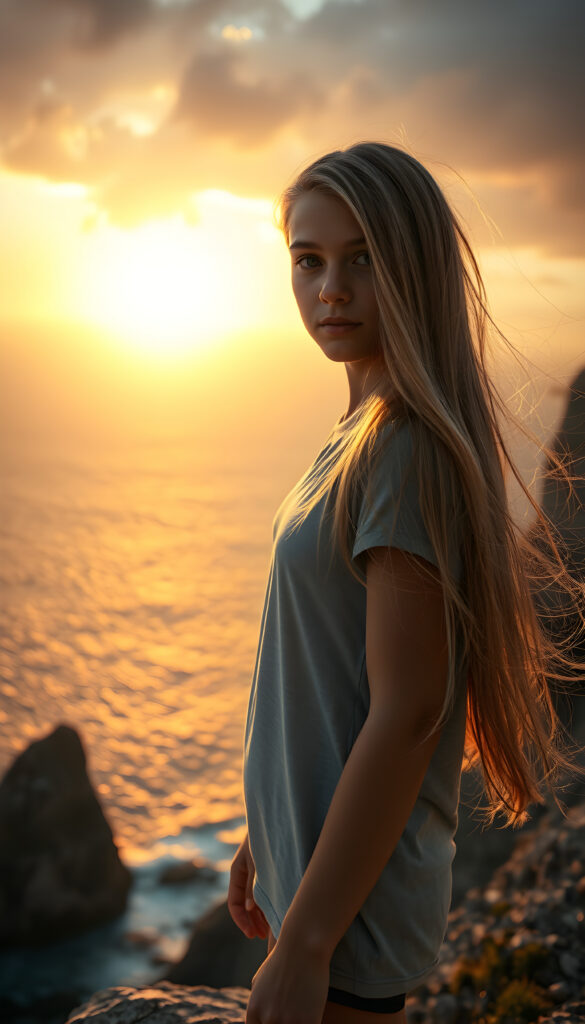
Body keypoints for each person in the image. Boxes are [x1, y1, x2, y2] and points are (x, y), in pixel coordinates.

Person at [227, 142, 582, 1024]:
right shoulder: (359, 433)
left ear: (413, 270)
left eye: (363, 260)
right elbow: (326, 679)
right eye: (307, 261)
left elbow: (408, 711)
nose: (329, 289)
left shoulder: (403, 450)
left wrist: (307, 940)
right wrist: (262, 835)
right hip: (321, 891)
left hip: (349, 924)